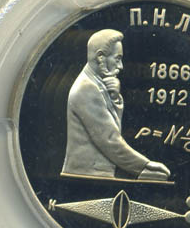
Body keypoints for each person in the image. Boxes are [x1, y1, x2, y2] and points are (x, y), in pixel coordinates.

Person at [61, 29, 170, 181]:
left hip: (95, 173)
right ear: (100, 57)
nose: (121, 66)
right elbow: (109, 139)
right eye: (117, 58)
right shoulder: (86, 88)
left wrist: (114, 98)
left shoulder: (95, 83)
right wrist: (144, 165)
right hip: (87, 176)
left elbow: (112, 129)